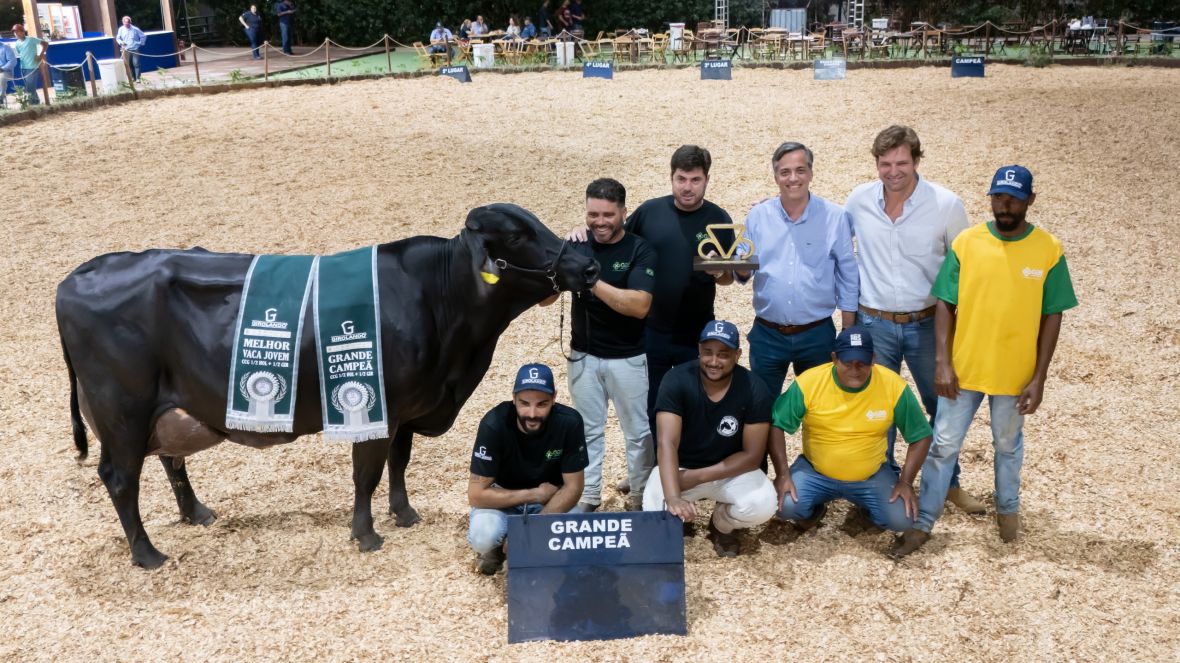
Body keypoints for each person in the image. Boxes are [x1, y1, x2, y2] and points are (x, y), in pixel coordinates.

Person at [893, 165, 1078, 557]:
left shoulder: (1048, 250)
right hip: (965, 369)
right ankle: (925, 521)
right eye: (998, 196)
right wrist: (942, 362)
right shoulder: (967, 243)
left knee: (1008, 444)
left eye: (1013, 197)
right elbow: (945, 302)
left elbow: (1053, 314)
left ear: (1030, 199)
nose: (1004, 204)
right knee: (943, 445)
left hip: (1015, 373)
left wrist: (1039, 377)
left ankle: (1008, 511)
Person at [844, 125, 985, 515]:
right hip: (874, 323)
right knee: (878, 410)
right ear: (876, 164)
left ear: (917, 161)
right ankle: (880, 486)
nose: (893, 171)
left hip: (927, 324)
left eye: (901, 162)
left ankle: (948, 484)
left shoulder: (946, 205)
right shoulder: (857, 201)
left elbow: (964, 268)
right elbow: (833, 244)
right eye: (885, 163)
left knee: (941, 406)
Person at [769, 326, 932, 539]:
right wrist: (782, 474)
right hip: (816, 471)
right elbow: (776, 424)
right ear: (835, 358)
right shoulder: (809, 382)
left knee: (902, 519)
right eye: (848, 363)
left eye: (862, 363)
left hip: (870, 474)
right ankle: (813, 511)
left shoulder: (893, 385)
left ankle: (867, 511)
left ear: (873, 359)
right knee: (784, 506)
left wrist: (906, 481)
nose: (855, 370)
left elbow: (921, 435)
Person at [642, 320, 778, 557]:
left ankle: (721, 525)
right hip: (681, 467)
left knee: (764, 504)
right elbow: (667, 443)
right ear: (698, 350)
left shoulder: (754, 388)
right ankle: (680, 519)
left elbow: (753, 456)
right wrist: (674, 497)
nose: (714, 361)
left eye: (723, 354)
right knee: (654, 509)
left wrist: (696, 477)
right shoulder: (676, 380)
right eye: (708, 353)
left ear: (737, 354)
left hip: (730, 471)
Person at [738, 141, 858, 397]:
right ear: (775, 176)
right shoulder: (758, 216)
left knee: (819, 410)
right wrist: (724, 266)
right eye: (785, 172)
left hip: (817, 334)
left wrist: (848, 328)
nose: (793, 178)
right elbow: (744, 268)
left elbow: (848, 273)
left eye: (800, 170)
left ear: (811, 173)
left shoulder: (835, 217)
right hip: (767, 334)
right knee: (761, 408)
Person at [566, 178, 657, 513]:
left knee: (638, 433)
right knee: (588, 431)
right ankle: (588, 497)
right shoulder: (576, 245)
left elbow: (638, 305)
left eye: (608, 214)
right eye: (593, 214)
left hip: (628, 357)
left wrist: (591, 280)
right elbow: (547, 297)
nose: (599, 222)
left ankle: (640, 498)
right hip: (583, 356)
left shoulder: (640, 249)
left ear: (623, 213)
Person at [467, 363, 589, 575]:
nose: (532, 413)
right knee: (482, 537)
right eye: (524, 403)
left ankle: (525, 546)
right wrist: (535, 494)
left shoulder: (569, 423)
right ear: (513, 398)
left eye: (542, 404)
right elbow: (476, 494)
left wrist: (529, 530)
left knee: (576, 537)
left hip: (551, 501)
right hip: (503, 498)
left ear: (554, 399)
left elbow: (574, 488)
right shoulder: (493, 424)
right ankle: (496, 550)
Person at [12, 24, 46, 106]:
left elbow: (45, 44)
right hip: (23, 67)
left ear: (23, 31)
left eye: (17, 32)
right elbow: (20, 54)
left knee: (30, 87)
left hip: (33, 67)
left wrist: (40, 55)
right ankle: (36, 102)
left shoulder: (31, 39)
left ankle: (32, 104)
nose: (16, 34)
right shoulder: (17, 43)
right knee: (30, 87)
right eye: (15, 32)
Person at [0, 40, 15, 108]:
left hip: (6, 71)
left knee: (1, 78)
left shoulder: (6, 47)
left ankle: (0, 99)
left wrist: (2, 68)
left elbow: (13, 61)